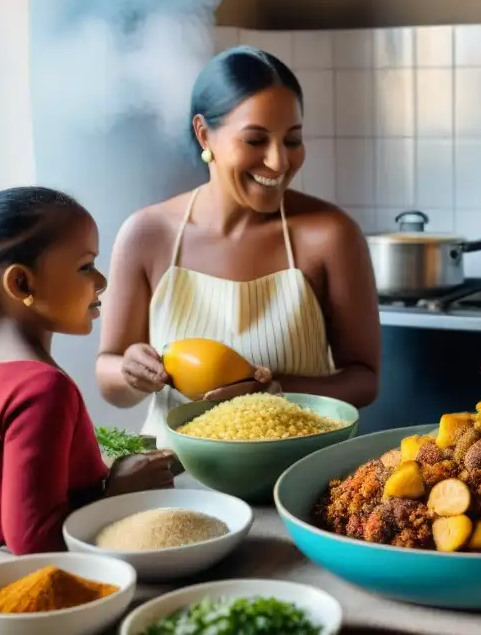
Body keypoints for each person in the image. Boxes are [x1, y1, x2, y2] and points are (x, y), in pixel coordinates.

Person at [95, 46, 380, 448]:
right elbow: (110, 378)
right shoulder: (147, 234)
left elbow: (364, 379)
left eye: (292, 139)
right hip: (174, 481)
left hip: (294, 476)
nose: (279, 162)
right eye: (255, 140)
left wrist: (276, 391)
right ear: (203, 133)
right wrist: (129, 372)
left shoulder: (331, 235)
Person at [0, 187, 175, 555]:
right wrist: (116, 491)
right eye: (85, 266)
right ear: (22, 283)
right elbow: (34, 540)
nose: (102, 282)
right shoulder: (42, 390)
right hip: (26, 580)